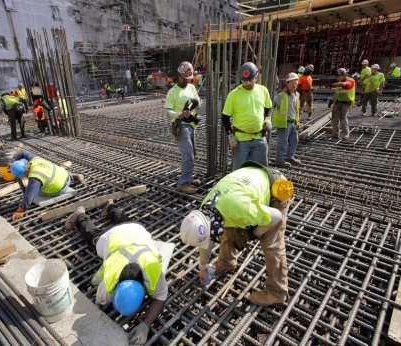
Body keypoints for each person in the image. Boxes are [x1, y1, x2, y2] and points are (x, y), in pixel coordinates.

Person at [180, 161, 293, 306]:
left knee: (271, 244)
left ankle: (277, 292)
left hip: (277, 189)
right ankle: (226, 262)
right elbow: (205, 242)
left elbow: (276, 217)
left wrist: (257, 233)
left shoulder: (242, 210)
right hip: (245, 185)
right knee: (227, 228)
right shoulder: (207, 210)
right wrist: (203, 268)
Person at [64, 200, 167, 345]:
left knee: (123, 224)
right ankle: (83, 215)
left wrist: (145, 325)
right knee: (94, 236)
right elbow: (100, 304)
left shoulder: (154, 271)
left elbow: (161, 297)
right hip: (124, 233)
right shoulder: (108, 284)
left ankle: (103, 208)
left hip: (135, 231)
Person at [222, 62, 272, 171]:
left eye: (250, 80)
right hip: (241, 140)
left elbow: (269, 107)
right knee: (238, 171)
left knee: (261, 170)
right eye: (245, 81)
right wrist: (230, 135)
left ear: (256, 77)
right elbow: (225, 116)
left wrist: (268, 118)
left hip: (259, 137)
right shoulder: (234, 94)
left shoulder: (263, 90)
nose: (248, 83)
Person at [9, 150, 84, 220]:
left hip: (60, 188)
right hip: (64, 175)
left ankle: (64, 182)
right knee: (48, 174)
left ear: (25, 172)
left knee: (34, 190)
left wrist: (20, 210)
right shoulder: (34, 159)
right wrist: (11, 161)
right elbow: (22, 152)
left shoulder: (35, 178)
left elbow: (29, 196)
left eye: (23, 176)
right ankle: (74, 176)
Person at [165, 61, 201, 194]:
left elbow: (198, 103)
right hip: (181, 126)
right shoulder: (172, 92)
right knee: (188, 155)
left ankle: (188, 177)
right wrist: (179, 115)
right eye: (184, 78)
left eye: (188, 79)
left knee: (192, 153)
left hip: (191, 125)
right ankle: (183, 184)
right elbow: (168, 112)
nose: (186, 81)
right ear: (178, 75)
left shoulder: (191, 88)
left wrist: (195, 103)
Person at [272, 73, 301, 167]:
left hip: (292, 122)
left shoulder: (297, 95)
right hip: (283, 123)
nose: (294, 85)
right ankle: (279, 159)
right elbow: (271, 105)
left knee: (294, 140)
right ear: (287, 83)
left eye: (296, 83)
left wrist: (298, 121)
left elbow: (296, 110)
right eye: (292, 83)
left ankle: (290, 157)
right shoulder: (280, 95)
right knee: (283, 142)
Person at [329, 68, 355, 139]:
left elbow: (345, 84)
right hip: (338, 102)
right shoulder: (339, 82)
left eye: (339, 77)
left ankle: (346, 133)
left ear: (344, 75)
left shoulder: (351, 81)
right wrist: (332, 100)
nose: (338, 78)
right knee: (334, 118)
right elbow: (337, 92)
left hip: (346, 102)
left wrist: (333, 84)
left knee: (343, 118)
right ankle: (335, 133)